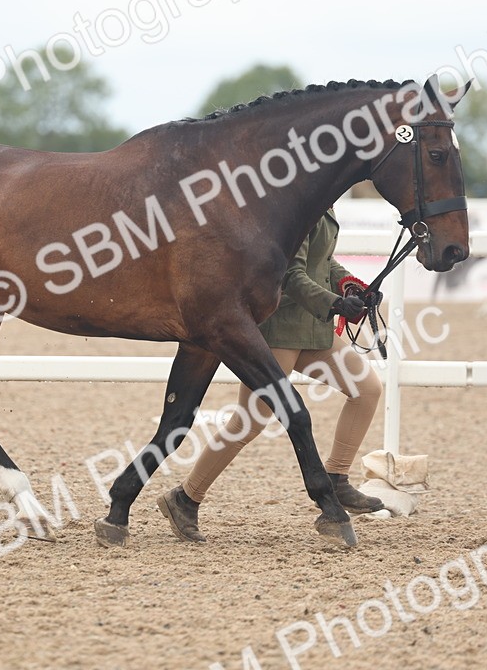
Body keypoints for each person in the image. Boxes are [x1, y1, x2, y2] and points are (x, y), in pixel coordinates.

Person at [158, 208, 385, 542]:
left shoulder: (324, 202)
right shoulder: (298, 204)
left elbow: (321, 265)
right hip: (278, 330)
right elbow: (291, 274)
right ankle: (185, 497)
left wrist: (351, 287)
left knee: (366, 389)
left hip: (312, 330)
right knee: (250, 420)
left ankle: (337, 478)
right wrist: (335, 303)